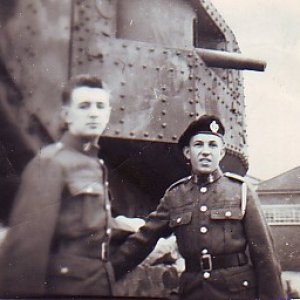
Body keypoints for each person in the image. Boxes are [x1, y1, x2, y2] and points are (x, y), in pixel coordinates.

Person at [111, 115, 286, 300]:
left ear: (221, 152)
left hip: (236, 292)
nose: (205, 151)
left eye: (212, 145)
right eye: (198, 145)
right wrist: (106, 272)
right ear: (187, 152)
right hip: (193, 291)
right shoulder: (175, 195)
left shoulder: (241, 191)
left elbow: (265, 254)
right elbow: (143, 240)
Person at [0, 74, 115, 297]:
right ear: (66, 115)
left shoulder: (95, 164)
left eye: (100, 106)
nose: (93, 113)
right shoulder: (51, 162)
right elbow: (27, 249)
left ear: (108, 113)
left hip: (96, 285)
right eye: (84, 106)